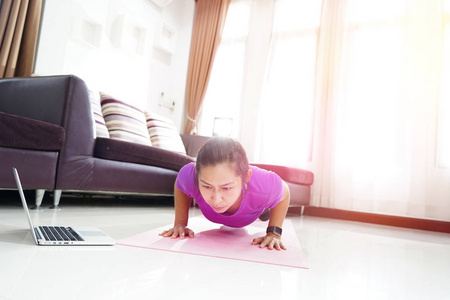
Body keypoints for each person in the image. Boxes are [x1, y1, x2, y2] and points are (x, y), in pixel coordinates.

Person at [159, 137, 290, 251]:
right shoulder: (189, 175)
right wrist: (180, 223)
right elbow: (180, 185)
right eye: (207, 186)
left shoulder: (265, 185)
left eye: (226, 188)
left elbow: (285, 193)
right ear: (196, 174)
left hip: (255, 208)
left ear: (246, 177)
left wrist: (274, 233)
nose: (216, 199)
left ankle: (263, 211)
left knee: (265, 204)